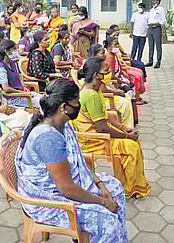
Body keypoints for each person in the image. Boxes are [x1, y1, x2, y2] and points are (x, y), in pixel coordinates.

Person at [16, 78, 128, 241]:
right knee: (107, 221)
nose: (78, 105)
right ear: (64, 107)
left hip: (64, 184)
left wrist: (99, 184)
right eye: (76, 101)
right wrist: (102, 202)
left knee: (115, 188)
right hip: (46, 199)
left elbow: (78, 161)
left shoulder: (61, 123)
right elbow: (66, 189)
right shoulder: (48, 139)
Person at [72, 58, 150, 198]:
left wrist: (122, 127)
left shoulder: (93, 88)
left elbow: (105, 114)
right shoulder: (90, 95)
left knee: (133, 141)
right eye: (106, 71)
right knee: (131, 146)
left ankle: (128, 183)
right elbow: (102, 128)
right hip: (93, 140)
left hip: (100, 133)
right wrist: (126, 136)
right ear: (97, 75)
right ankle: (129, 188)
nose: (109, 73)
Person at [88, 44, 136, 128]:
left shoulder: (101, 64)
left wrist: (115, 90)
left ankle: (128, 126)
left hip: (104, 93)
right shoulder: (92, 68)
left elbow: (107, 82)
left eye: (104, 52)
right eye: (101, 53)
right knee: (125, 103)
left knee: (127, 97)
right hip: (104, 97)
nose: (104, 55)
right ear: (94, 55)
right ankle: (127, 127)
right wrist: (116, 92)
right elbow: (103, 89)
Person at [0, 40, 42, 108]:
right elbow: (6, 88)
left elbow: (18, 76)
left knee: (43, 98)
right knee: (42, 103)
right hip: (13, 99)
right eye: (14, 49)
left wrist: (23, 86)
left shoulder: (13, 63)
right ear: (6, 51)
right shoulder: (1, 68)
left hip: (22, 94)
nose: (16, 51)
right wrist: (22, 93)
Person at [104, 36, 146, 104]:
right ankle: (135, 99)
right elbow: (112, 76)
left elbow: (118, 67)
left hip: (120, 74)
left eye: (118, 44)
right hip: (116, 80)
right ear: (109, 46)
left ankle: (137, 97)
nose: (117, 46)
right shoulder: (110, 57)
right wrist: (123, 81)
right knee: (135, 79)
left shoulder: (113, 54)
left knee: (139, 72)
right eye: (115, 44)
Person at [146, 0, 166, 68]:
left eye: (154, 0)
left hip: (157, 28)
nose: (152, 2)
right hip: (150, 28)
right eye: (152, 0)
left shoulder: (161, 9)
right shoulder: (151, 10)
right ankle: (150, 61)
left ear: (158, 1)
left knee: (158, 45)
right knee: (150, 46)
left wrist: (156, 23)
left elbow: (163, 21)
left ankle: (158, 61)